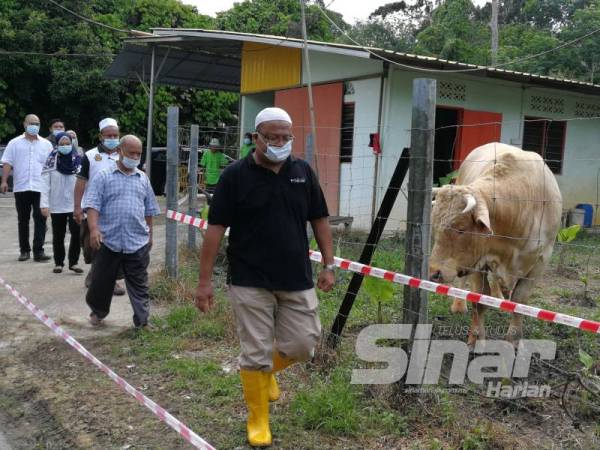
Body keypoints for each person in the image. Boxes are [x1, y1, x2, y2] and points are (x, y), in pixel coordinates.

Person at [194, 107, 335, 447]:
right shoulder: (234, 176)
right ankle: (258, 419)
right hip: (248, 278)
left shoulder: (303, 172)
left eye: (285, 137)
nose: (279, 143)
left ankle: (265, 373)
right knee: (255, 352)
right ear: (255, 137)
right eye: (271, 137)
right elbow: (215, 229)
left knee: (304, 344)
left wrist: (329, 264)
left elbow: (319, 218)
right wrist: (204, 281)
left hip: (296, 277)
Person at [83, 135, 160, 328]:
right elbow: (92, 205)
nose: (135, 157)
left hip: (137, 241)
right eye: (131, 153)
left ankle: (142, 321)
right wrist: (93, 229)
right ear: (119, 152)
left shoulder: (142, 178)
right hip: (108, 240)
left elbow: (149, 210)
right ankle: (98, 312)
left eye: (138, 153)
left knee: (139, 284)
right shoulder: (104, 176)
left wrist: (150, 235)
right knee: (102, 281)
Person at [74, 118, 126, 295]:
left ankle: (104, 280)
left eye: (115, 135)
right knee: (95, 247)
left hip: (118, 210)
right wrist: (77, 207)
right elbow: (81, 182)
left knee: (115, 247)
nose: (113, 138)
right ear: (101, 136)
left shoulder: (124, 154)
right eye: (109, 135)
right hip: (94, 210)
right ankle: (101, 279)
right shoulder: (89, 156)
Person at [1, 114, 53, 262]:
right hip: (21, 187)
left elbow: (51, 167)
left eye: (37, 123)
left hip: (40, 187)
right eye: (31, 123)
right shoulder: (14, 143)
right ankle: (24, 251)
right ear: (24, 124)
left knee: (41, 219)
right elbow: (7, 162)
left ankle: (39, 251)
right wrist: (4, 181)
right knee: (23, 220)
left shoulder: (46, 144)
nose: (34, 126)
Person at [40, 132, 83, 274]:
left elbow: (84, 184)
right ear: (57, 145)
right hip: (57, 205)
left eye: (68, 144)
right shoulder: (51, 162)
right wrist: (44, 204)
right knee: (58, 235)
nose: (65, 146)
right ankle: (59, 263)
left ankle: (74, 262)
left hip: (75, 205)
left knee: (76, 234)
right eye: (62, 144)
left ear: (72, 144)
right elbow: (45, 185)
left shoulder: (78, 162)